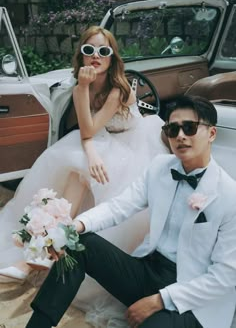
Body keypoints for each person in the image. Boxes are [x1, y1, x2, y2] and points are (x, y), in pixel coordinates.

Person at [0, 26, 168, 322]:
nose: (96, 57)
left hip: (134, 143)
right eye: (89, 50)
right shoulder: (83, 83)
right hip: (102, 140)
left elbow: (89, 130)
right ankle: (40, 249)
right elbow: (87, 134)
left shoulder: (118, 87)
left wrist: (82, 91)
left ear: (113, 56)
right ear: (81, 53)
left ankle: (45, 252)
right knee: (76, 164)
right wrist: (82, 90)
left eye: (104, 51)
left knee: (80, 167)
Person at [25, 95, 236, 328]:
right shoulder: (159, 167)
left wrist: (160, 300)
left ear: (212, 134)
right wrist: (74, 227)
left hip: (195, 299)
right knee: (79, 244)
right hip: (149, 270)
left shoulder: (229, 195)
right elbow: (119, 206)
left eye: (190, 127)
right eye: (172, 129)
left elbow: (224, 277)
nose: (180, 136)